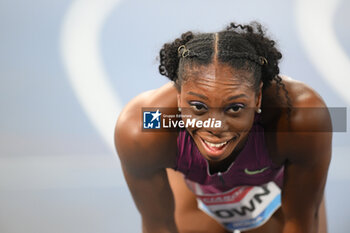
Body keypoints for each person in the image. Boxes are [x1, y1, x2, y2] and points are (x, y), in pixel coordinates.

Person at [114, 22, 332, 233]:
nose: (215, 126)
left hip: (275, 191)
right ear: (179, 97)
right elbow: (158, 227)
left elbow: (301, 222)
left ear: (258, 99)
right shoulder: (141, 129)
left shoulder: (303, 119)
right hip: (195, 194)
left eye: (235, 108)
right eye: (199, 107)